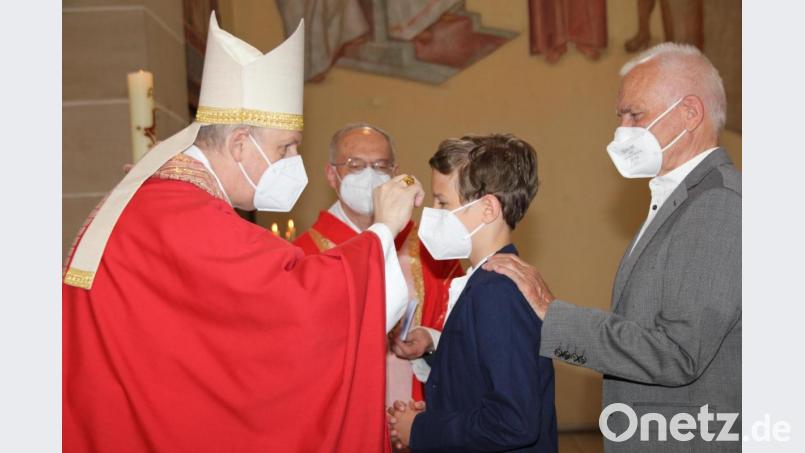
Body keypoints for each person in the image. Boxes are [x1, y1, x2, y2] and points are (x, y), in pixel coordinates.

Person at [62, 13, 425, 453]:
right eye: (286, 147)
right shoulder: (184, 215)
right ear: (239, 145)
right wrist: (383, 230)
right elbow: (303, 313)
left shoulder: (164, 200)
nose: (294, 161)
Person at [485, 43, 741, 452]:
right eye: (619, 116)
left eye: (634, 115)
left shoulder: (718, 205)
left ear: (690, 113)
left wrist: (554, 314)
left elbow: (677, 354)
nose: (621, 130)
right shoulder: (681, 200)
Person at [388, 134, 558, 452]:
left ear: (487, 209)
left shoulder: (498, 291)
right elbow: (482, 376)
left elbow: (513, 420)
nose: (432, 212)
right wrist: (441, 412)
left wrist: (422, 430)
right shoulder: (483, 280)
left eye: (442, 202)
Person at [294, 123, 463, 405]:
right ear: (331, 175)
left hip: (420, 411)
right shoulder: (303, 255)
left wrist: (430, 340)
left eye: (381, 165)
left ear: (394, 173)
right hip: (345, 411)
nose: (370, 175)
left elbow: (464, 327)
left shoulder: (430, 247)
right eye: (355, 165)